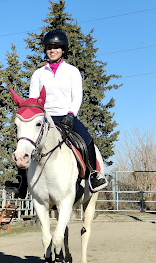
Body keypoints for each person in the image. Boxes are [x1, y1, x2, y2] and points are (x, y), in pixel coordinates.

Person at [6, 29, 107, 197]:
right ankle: (21, 181)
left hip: (66, 116)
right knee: (24, 142)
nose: (52, 50)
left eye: (56, 47)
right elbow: (32, 99)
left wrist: (71, 114)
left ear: (63, 50)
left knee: (87, 141)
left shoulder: (72, 71)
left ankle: (93, 176)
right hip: (44, 119)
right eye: (49, 48)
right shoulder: (38, 74)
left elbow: (77, 96)